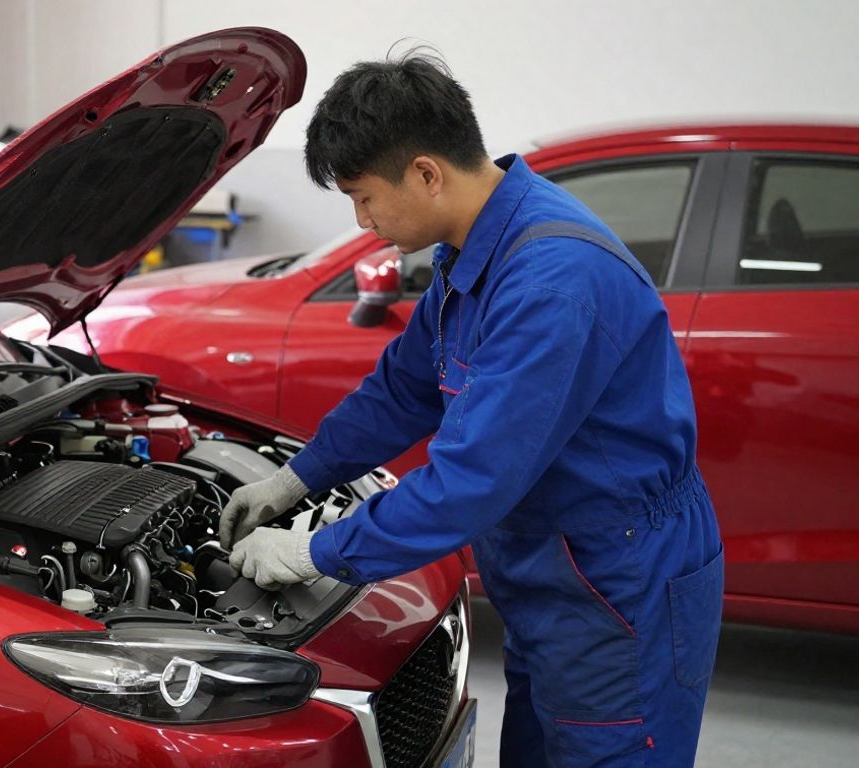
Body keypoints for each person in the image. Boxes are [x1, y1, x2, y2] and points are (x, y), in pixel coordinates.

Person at [221, 51, 724, 767]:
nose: (362, 221)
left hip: (619, 588)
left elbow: (470, 480)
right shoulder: (477, 250)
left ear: (426, 173)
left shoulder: (551, 282)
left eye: (364, 196)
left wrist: (313, 552)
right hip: (555, 576)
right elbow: (403, 390)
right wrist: (295, 479)